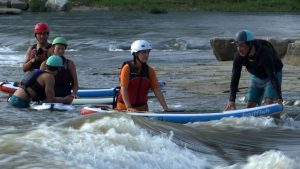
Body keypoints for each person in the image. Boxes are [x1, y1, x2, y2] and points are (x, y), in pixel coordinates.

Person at [224, 30, 283, 111]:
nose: (239, 49)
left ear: (250, 44)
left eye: (241, 45)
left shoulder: (265, 53)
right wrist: (231, 100)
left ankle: (276, 122)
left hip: (272, 76)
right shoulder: (238, 56)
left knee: (269, 103)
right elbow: (235, 77)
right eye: (237, 46)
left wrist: (279, 98)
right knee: (249, 106)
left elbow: (272, 77)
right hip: (257, 76)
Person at [115, 40, 170, 112]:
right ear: (136, 54)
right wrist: (129, 107)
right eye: (143, 52)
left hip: (142, 109)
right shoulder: (127, 68)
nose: (147, 55)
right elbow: (124, 89)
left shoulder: (150, 71)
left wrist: (166, 108)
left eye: (148, 52)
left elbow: (157, 90)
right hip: (123, 109)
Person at [8, 55, 74, 108]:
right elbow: (50, 99)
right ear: (59, 68)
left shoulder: (37, 71)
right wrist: (65, 100)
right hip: (21, 101)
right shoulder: (49, 77)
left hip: (13, 98)